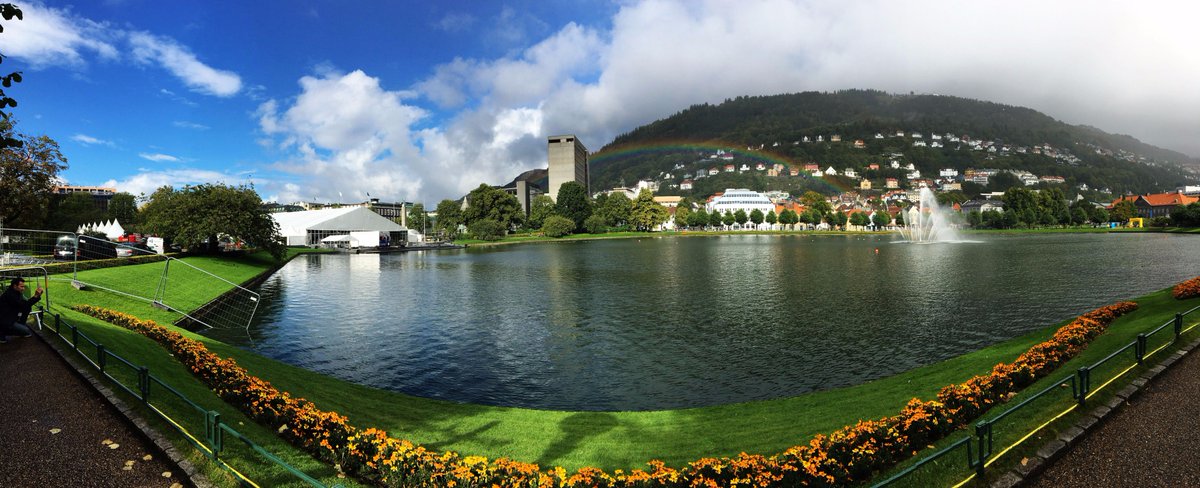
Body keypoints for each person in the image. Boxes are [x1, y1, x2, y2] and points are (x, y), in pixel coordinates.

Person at [0, 277, 42, 343]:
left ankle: (19, 326)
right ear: (15, 286)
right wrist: (36, 296)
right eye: (21, 286)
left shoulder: (14, 292)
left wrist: (36, 296)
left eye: (23, 286)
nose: (23, 288)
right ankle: (2, 333)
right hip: (5, 321)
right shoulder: (10, 295)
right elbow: (24, 305)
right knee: (26, 331)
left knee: (27, 308)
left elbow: (25, 305)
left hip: (9, 318)